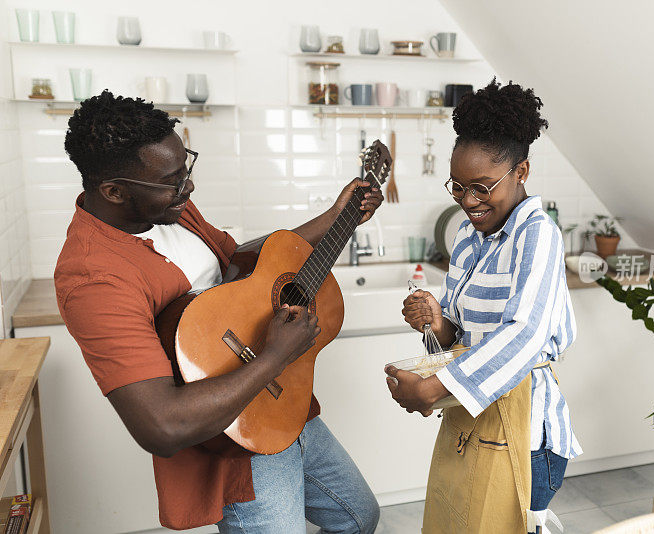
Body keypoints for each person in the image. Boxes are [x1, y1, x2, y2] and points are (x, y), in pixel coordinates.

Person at [55, 90, 383, 533]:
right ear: (114, 191)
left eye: (185, 168)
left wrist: (333, 217)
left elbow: (249, 266)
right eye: (172, 181)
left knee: (359, 517)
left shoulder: (172, 210)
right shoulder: (94, 278)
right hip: (234, 447)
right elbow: (161, 425)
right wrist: (273, 357)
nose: (187, 188)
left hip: (283, 403)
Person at [386, 79, 581, 529]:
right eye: (457, 187)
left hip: (526, 431)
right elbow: (457, 332)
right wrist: (436, 321)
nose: (468, 202)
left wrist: (434, 390)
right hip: (471, 415)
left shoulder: (537, 234)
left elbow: (526, 334)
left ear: (521, 171)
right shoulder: (468, 239)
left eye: (481, 187)